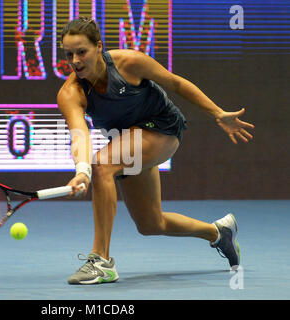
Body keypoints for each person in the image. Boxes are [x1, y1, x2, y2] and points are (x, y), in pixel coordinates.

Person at [56, 17, 254, 285]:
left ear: (98, 47)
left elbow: (176, 84)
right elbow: (79, 134)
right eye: (69, 54)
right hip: (129, 140)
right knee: (150, 224)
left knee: (102, 165)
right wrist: (81, 171)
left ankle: (101, 261)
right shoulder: (70, 93)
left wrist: (217, 113)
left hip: (162, 127)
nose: (76, 60)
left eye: (82, 51)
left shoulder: (128, 63)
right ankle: (218, 232)